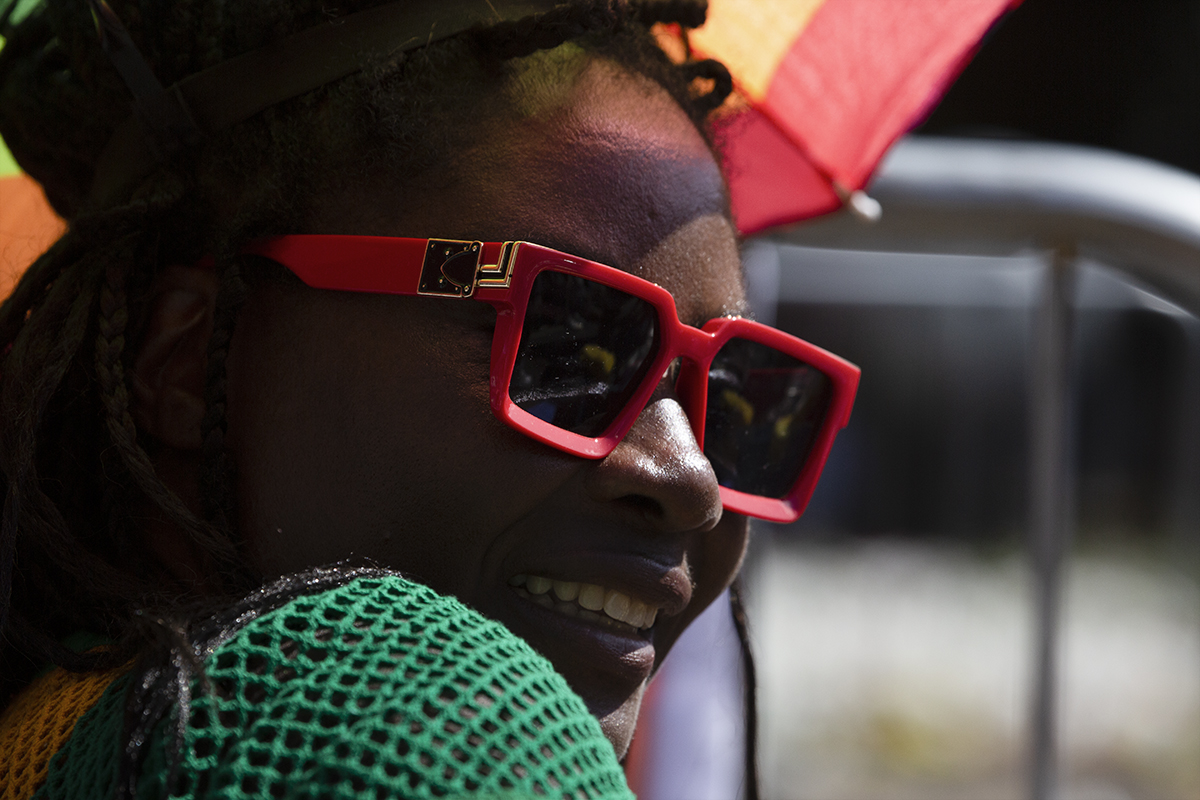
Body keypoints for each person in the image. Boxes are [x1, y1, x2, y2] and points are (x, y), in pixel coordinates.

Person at [0, 0, 857, 796]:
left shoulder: (61, 726)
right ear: (180, 360)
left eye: (738, 392)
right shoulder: (417, 732)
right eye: (568, 345)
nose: (690, 479)